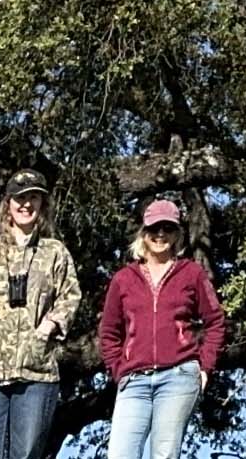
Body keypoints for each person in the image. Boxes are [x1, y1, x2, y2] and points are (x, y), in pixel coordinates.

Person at [0, 170, 81, 459]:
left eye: (33, 197)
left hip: (37, 370)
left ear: (42, 204)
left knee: (27, 454)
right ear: (7, 204)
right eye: (19, 198)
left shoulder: (55, 252)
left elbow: (70, 296)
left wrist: (47, 328)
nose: (26, 205)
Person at [97, 197, 227, 459]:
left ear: (177, 234)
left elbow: (215, 320)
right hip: (133, 381)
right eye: (154, 228)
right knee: (119, 454)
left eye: (167, 228)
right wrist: (118, 369)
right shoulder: (123, 279)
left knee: (165, 454)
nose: (160, 234)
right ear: (143, 233)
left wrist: (204, 368)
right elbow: (109, 331)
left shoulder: (191, 273)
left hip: (178, 376)